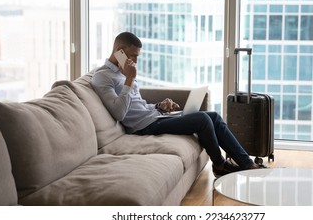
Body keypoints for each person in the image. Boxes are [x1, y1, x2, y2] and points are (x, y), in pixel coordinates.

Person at [91, 32, 264, 177]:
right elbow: (119, 113)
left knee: (214, 116)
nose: (135, 60)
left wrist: (159, 106)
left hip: (153, 117)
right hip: (143, 127)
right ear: (119, 51)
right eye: (133, 55)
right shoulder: (103, 77)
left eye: (137, 56)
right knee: (203, 119)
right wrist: (130, 78)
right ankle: (219, 165)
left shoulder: (125, 72)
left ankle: (247, 164)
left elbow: (138, 106)